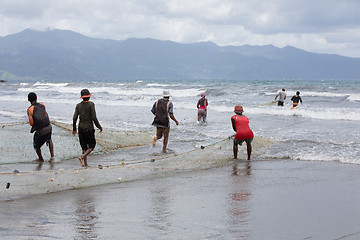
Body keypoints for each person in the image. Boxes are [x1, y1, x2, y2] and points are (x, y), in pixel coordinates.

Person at [72, 89, 103, 167]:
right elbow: (94, 117)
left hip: (80, 128)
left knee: (84, 147)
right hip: (88, 128)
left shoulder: (78, 105)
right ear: (89, 96)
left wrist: (74, 128)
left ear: (82, 97)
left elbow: (74, 117)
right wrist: (99, 127)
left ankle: (85, 164)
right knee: (92, 145)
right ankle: (82, 157)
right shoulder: (91, 104)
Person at [27, 92, 54, 162]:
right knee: (49, 139)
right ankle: (52, 157)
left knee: (36, 145)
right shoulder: (42, 105)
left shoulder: (30, 109)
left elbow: (31, 123)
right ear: (36, 98)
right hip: (49, 127)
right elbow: (47, 116)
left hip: (41, 131)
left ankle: (41, 159)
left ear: (28, 100)